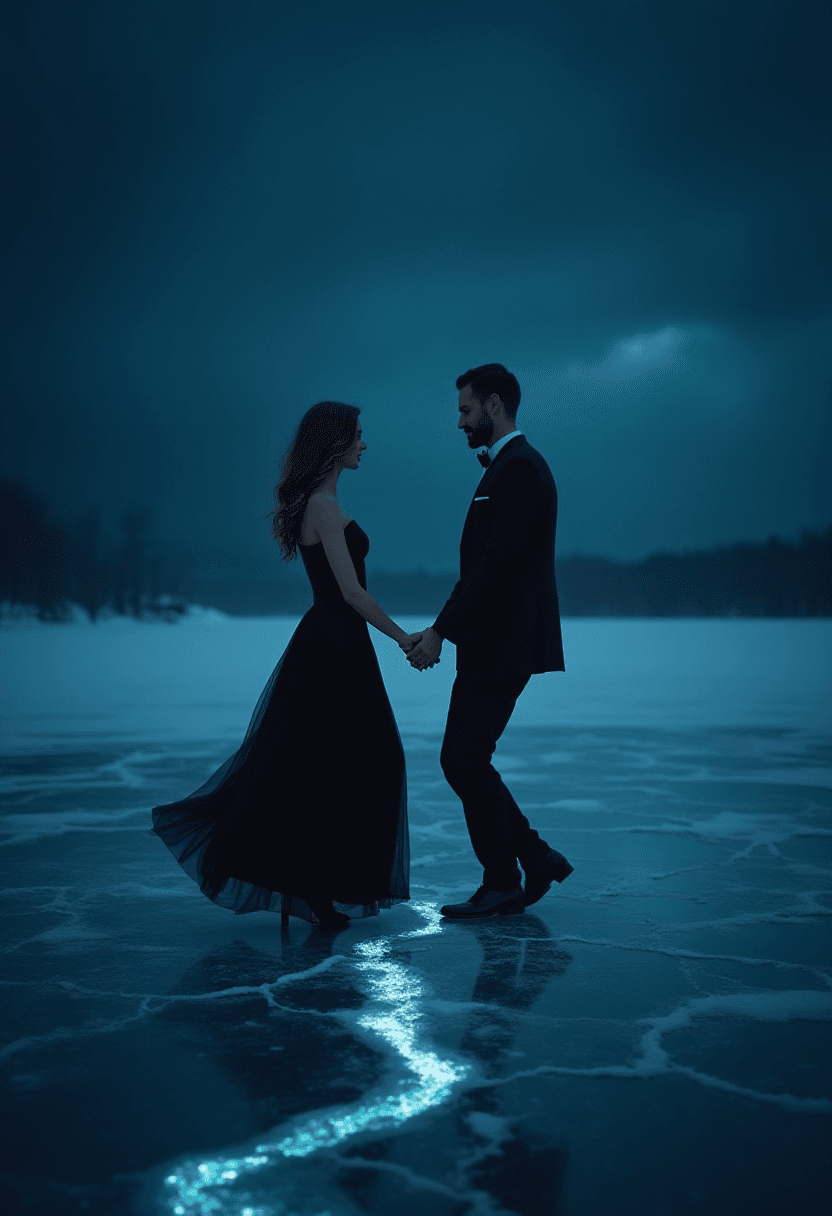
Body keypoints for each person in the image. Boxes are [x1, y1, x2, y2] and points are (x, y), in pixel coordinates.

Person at [152, 402, 418, 929]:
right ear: (335, 442)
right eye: (358, 437)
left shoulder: (322, 503)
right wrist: (405, 637)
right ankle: (314, 887)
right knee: (345, 759)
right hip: (335, 643)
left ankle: (317, 888)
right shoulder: (321, 506)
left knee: (333, 761)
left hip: (338, 641)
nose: (365, 445)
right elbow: (351, 593)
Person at [406, 364, 573, 919]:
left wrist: (439, 630)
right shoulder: (506, 469)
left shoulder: (520, 471)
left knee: (462, 757)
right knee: (465, 757)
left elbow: (496, 566)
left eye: (465, 409)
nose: (459, 422)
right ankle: (527, 860)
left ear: (495, 405)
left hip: (505, 641)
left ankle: (510, 873)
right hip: (494, 640)